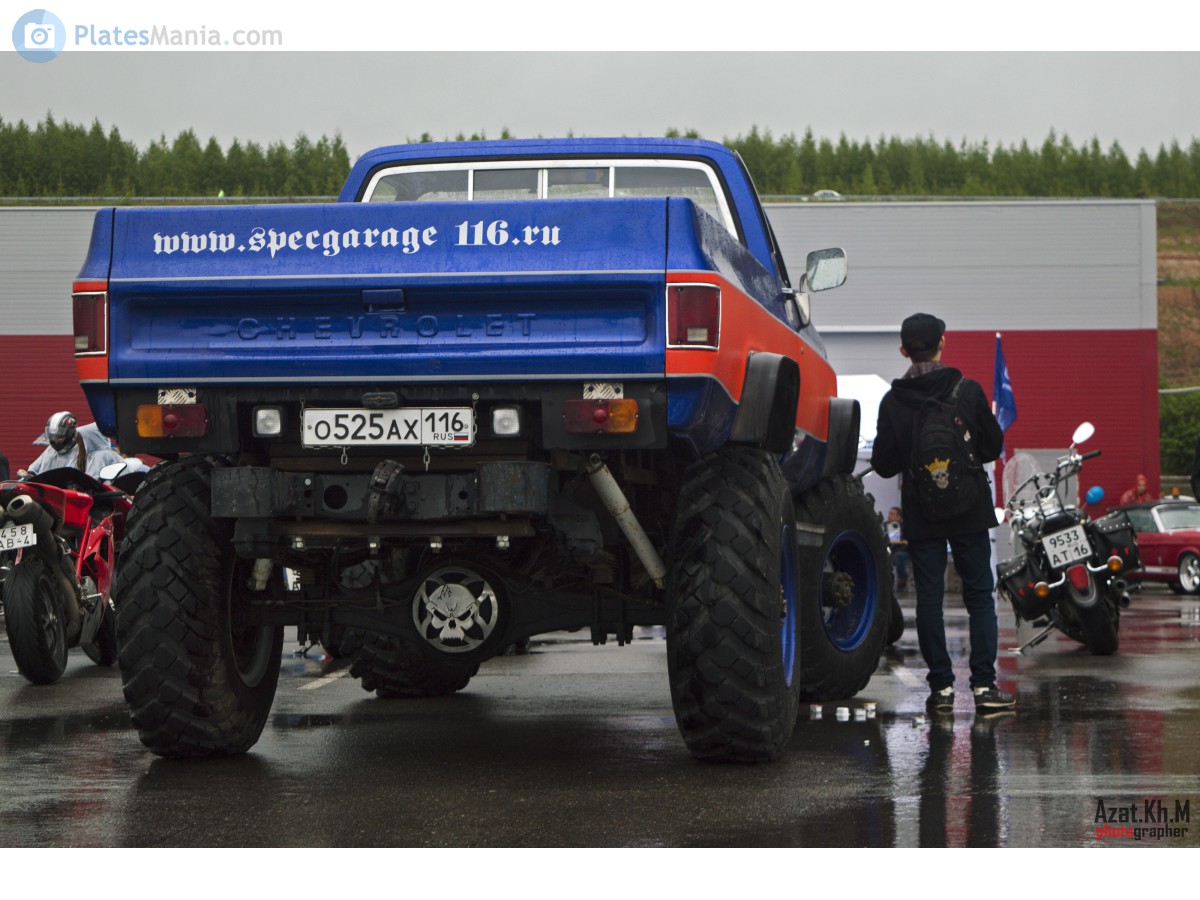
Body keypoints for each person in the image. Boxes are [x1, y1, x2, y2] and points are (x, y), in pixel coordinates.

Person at [870, 313, 1015, 715]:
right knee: (979, 597)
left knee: (929, 598)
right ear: (943, 343)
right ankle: (985, 687)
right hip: (970, 509)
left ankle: (941, 691)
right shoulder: (966, 390)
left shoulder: (893, 400)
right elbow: (990, 447)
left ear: (903, 351)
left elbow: (883, 464)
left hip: (922, 512)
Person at [22, 411, 124, 480]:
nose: (56, 441)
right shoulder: (50, 451)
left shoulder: (89, 452)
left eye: (59, 437)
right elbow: (34, 469)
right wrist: (28, 475)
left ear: (69, 434)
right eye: (53, 437)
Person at [886, 506, 910, 593]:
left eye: (892, 514)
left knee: (898, 556)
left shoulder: (904, 526)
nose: (889, 516)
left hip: (905, 551)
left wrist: (900, 542)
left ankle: (902, 578)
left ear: (899, 517)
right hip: (892, 550)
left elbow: (901, 541)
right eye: (889, 513)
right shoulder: (887, 525)